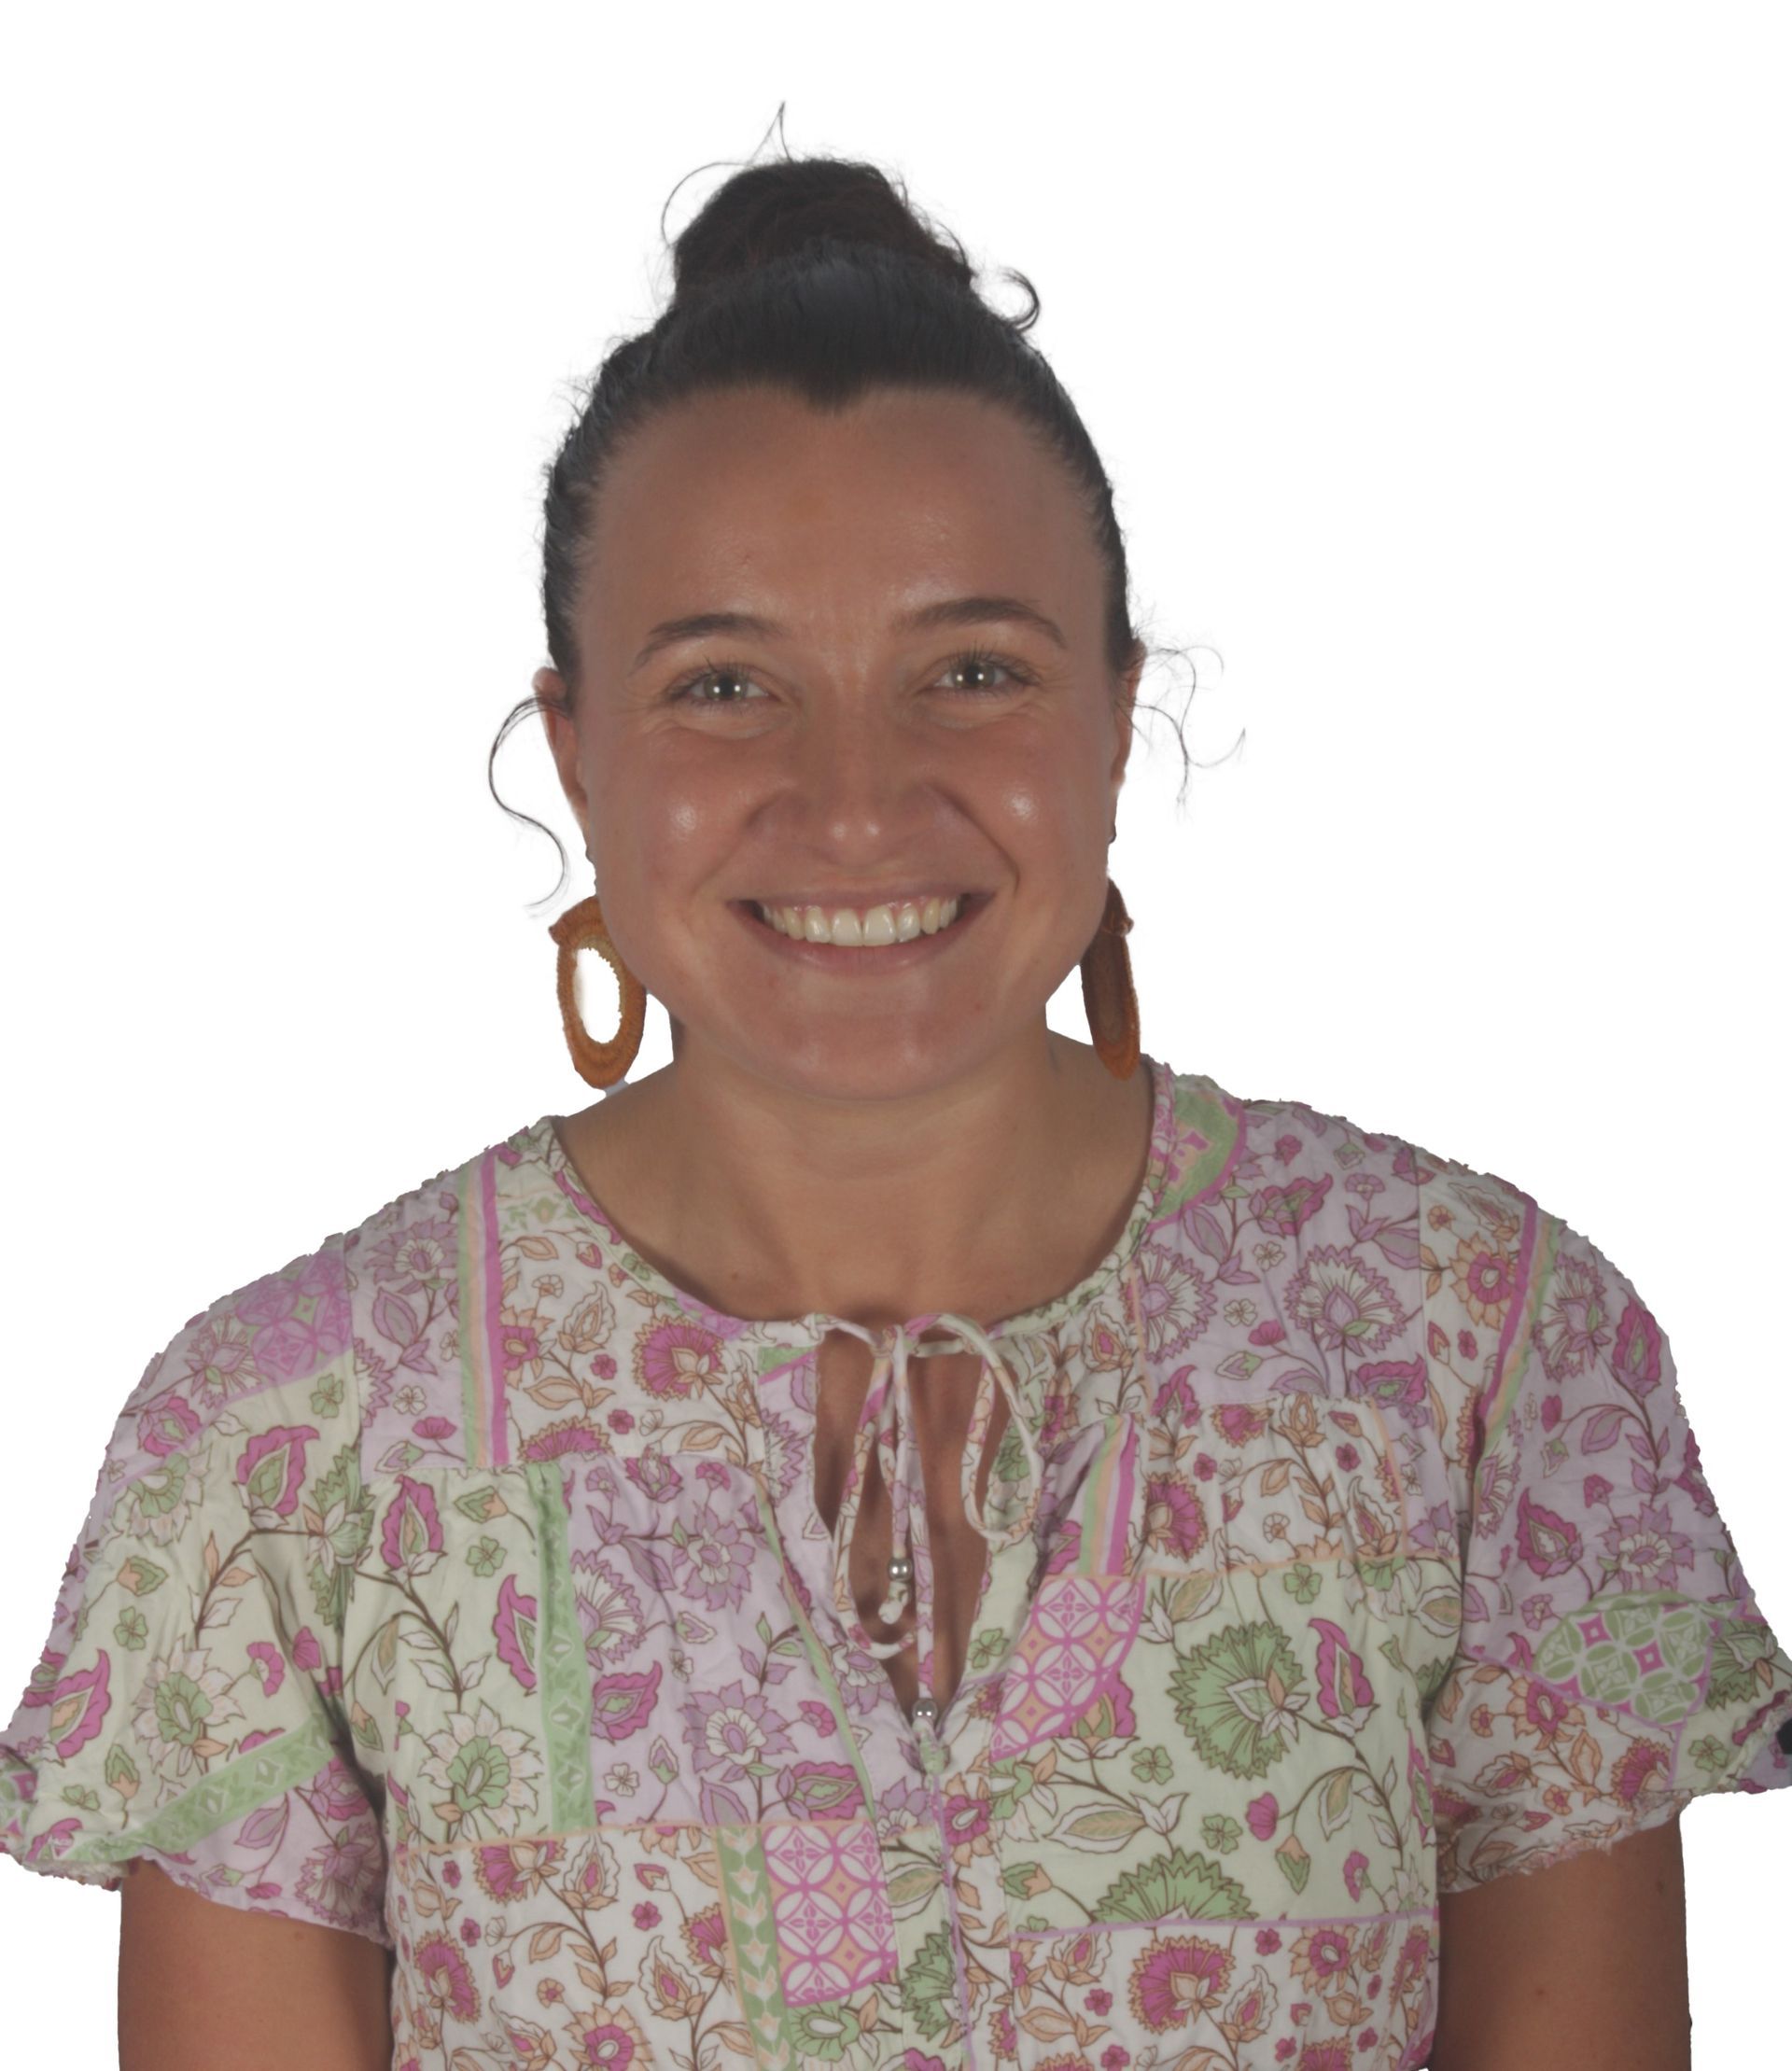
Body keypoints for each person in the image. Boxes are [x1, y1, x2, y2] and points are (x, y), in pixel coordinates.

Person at [3, 143, 1788, 2071]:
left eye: (972, 669)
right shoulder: (288, 1445)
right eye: (725, 687)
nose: (856, 804)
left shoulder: (1478, 1350)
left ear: (1117, 713)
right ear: (578, 754)